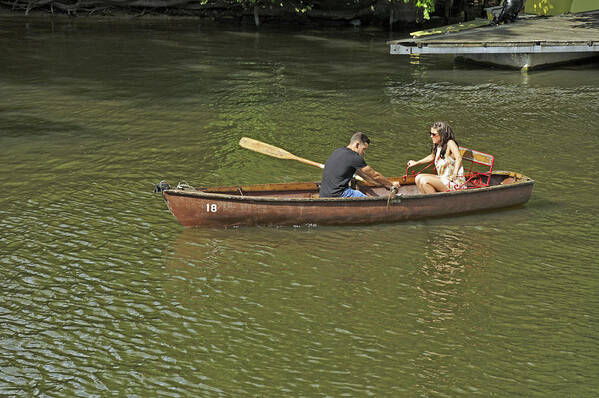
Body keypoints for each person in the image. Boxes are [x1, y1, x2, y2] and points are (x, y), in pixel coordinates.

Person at [320, 132, 400, 198]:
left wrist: (382, 184)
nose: (364, 153)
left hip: (323, 194)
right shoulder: (354, 157)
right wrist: (391, 183)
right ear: (357, 145)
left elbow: (365, 176)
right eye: (364, 149)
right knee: (370, 202)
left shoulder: (338, 151)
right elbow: (375, 175)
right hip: (339, 194)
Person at [407, 121, 466, 194]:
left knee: (425, 181)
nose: (431, 136)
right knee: (418, 178)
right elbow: (432, 157)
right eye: (430, 134)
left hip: (454, 183)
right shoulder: (438, 146)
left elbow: (458, 158)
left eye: (434, 134)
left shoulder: (450, 143)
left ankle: (433, 202)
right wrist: (416, 163)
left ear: (442, 135)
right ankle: (424, 199)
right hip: (443, 179)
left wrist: (455, 173)